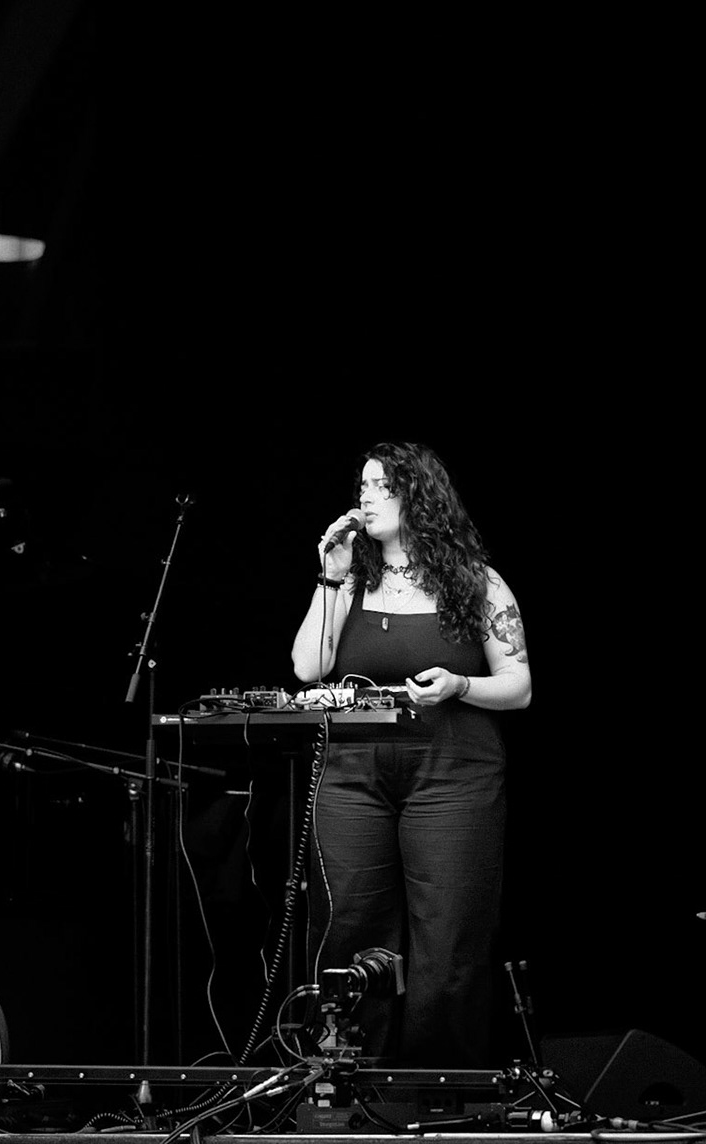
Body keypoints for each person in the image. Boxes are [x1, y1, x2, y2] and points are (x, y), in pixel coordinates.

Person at [289, 442, 531, 1068]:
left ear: (418, 496)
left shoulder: (476, 580)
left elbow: (519, 685)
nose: (363, 496)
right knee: (348, 925)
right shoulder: (354, 578)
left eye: (379, 486)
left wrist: (460, 686)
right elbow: (307, 667)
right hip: (353, 775)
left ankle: (435, 1089)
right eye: (360, 484)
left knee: (447, 935)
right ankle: (344, 1082)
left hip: (452, 774)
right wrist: (330, 575)